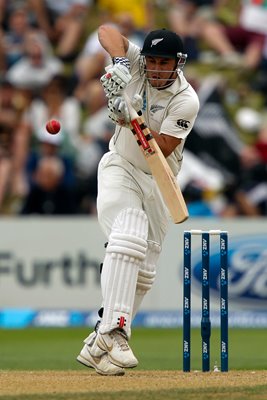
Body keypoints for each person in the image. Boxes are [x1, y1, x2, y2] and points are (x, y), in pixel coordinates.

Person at [76, 25, 199, 375]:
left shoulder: (186, 98)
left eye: (165, 62)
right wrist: (117, 61)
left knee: (144, 272)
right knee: (128, 233)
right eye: (153, 61)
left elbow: (162, 147)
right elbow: (105, 30)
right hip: (120, 167)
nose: (157, 69)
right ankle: (115, 331)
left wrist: (129, 116)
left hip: (160, 179)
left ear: (178, 63)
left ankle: (97, 344)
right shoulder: (136, 65)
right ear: (145, 59)